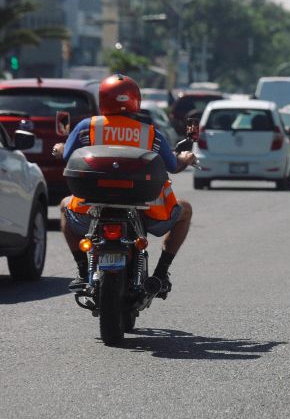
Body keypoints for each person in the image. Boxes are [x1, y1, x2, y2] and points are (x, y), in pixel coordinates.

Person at [54, 74, 197, 298]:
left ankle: (83, 272)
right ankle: (161, 274)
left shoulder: (86, 128)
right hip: (146, 208)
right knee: (185, 210)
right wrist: (186, 157)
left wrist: (60, 147)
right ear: (135, 100)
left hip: (91, 207)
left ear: (103, 99)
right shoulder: (150, 133)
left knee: (64, 206)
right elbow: (173, 165)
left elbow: (67, 158)